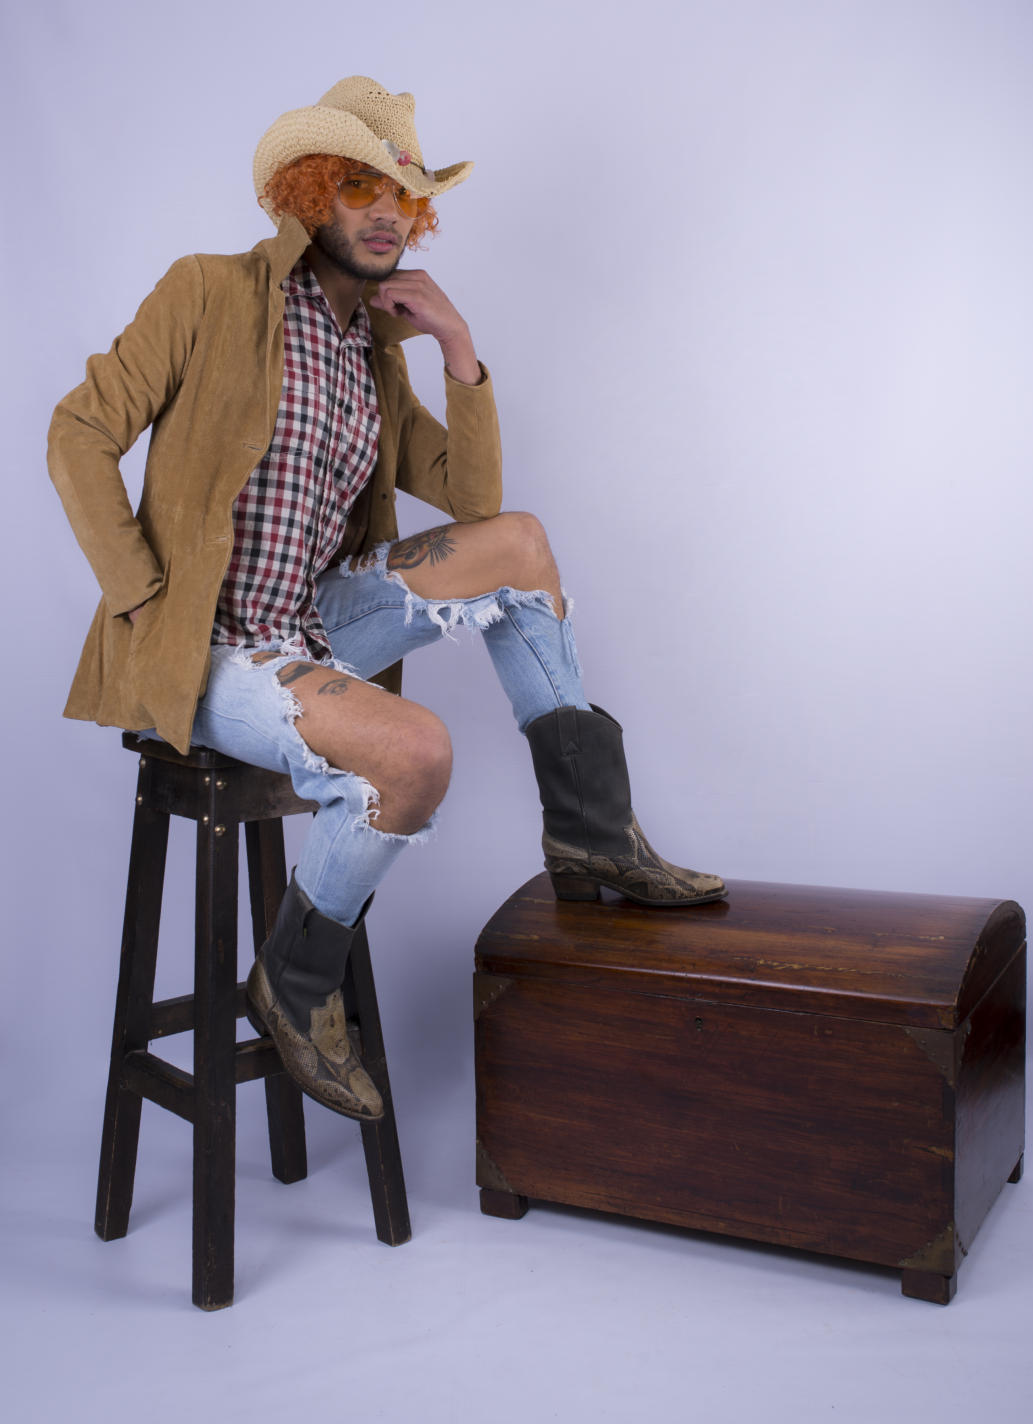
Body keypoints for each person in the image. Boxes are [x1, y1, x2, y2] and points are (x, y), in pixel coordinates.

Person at [49, 76, 726, 1123]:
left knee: (519, 543)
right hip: (208, 647)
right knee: (416, 753)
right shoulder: (209, 292)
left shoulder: (368, 346)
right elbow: (79, 432)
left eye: (403, 198)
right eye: (358, 186)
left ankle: (592, 830)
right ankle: (293, 979)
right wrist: (141, 597)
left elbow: (471, 504)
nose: (386, 214)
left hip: (310, 621)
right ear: (307, 192)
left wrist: (458, 349)